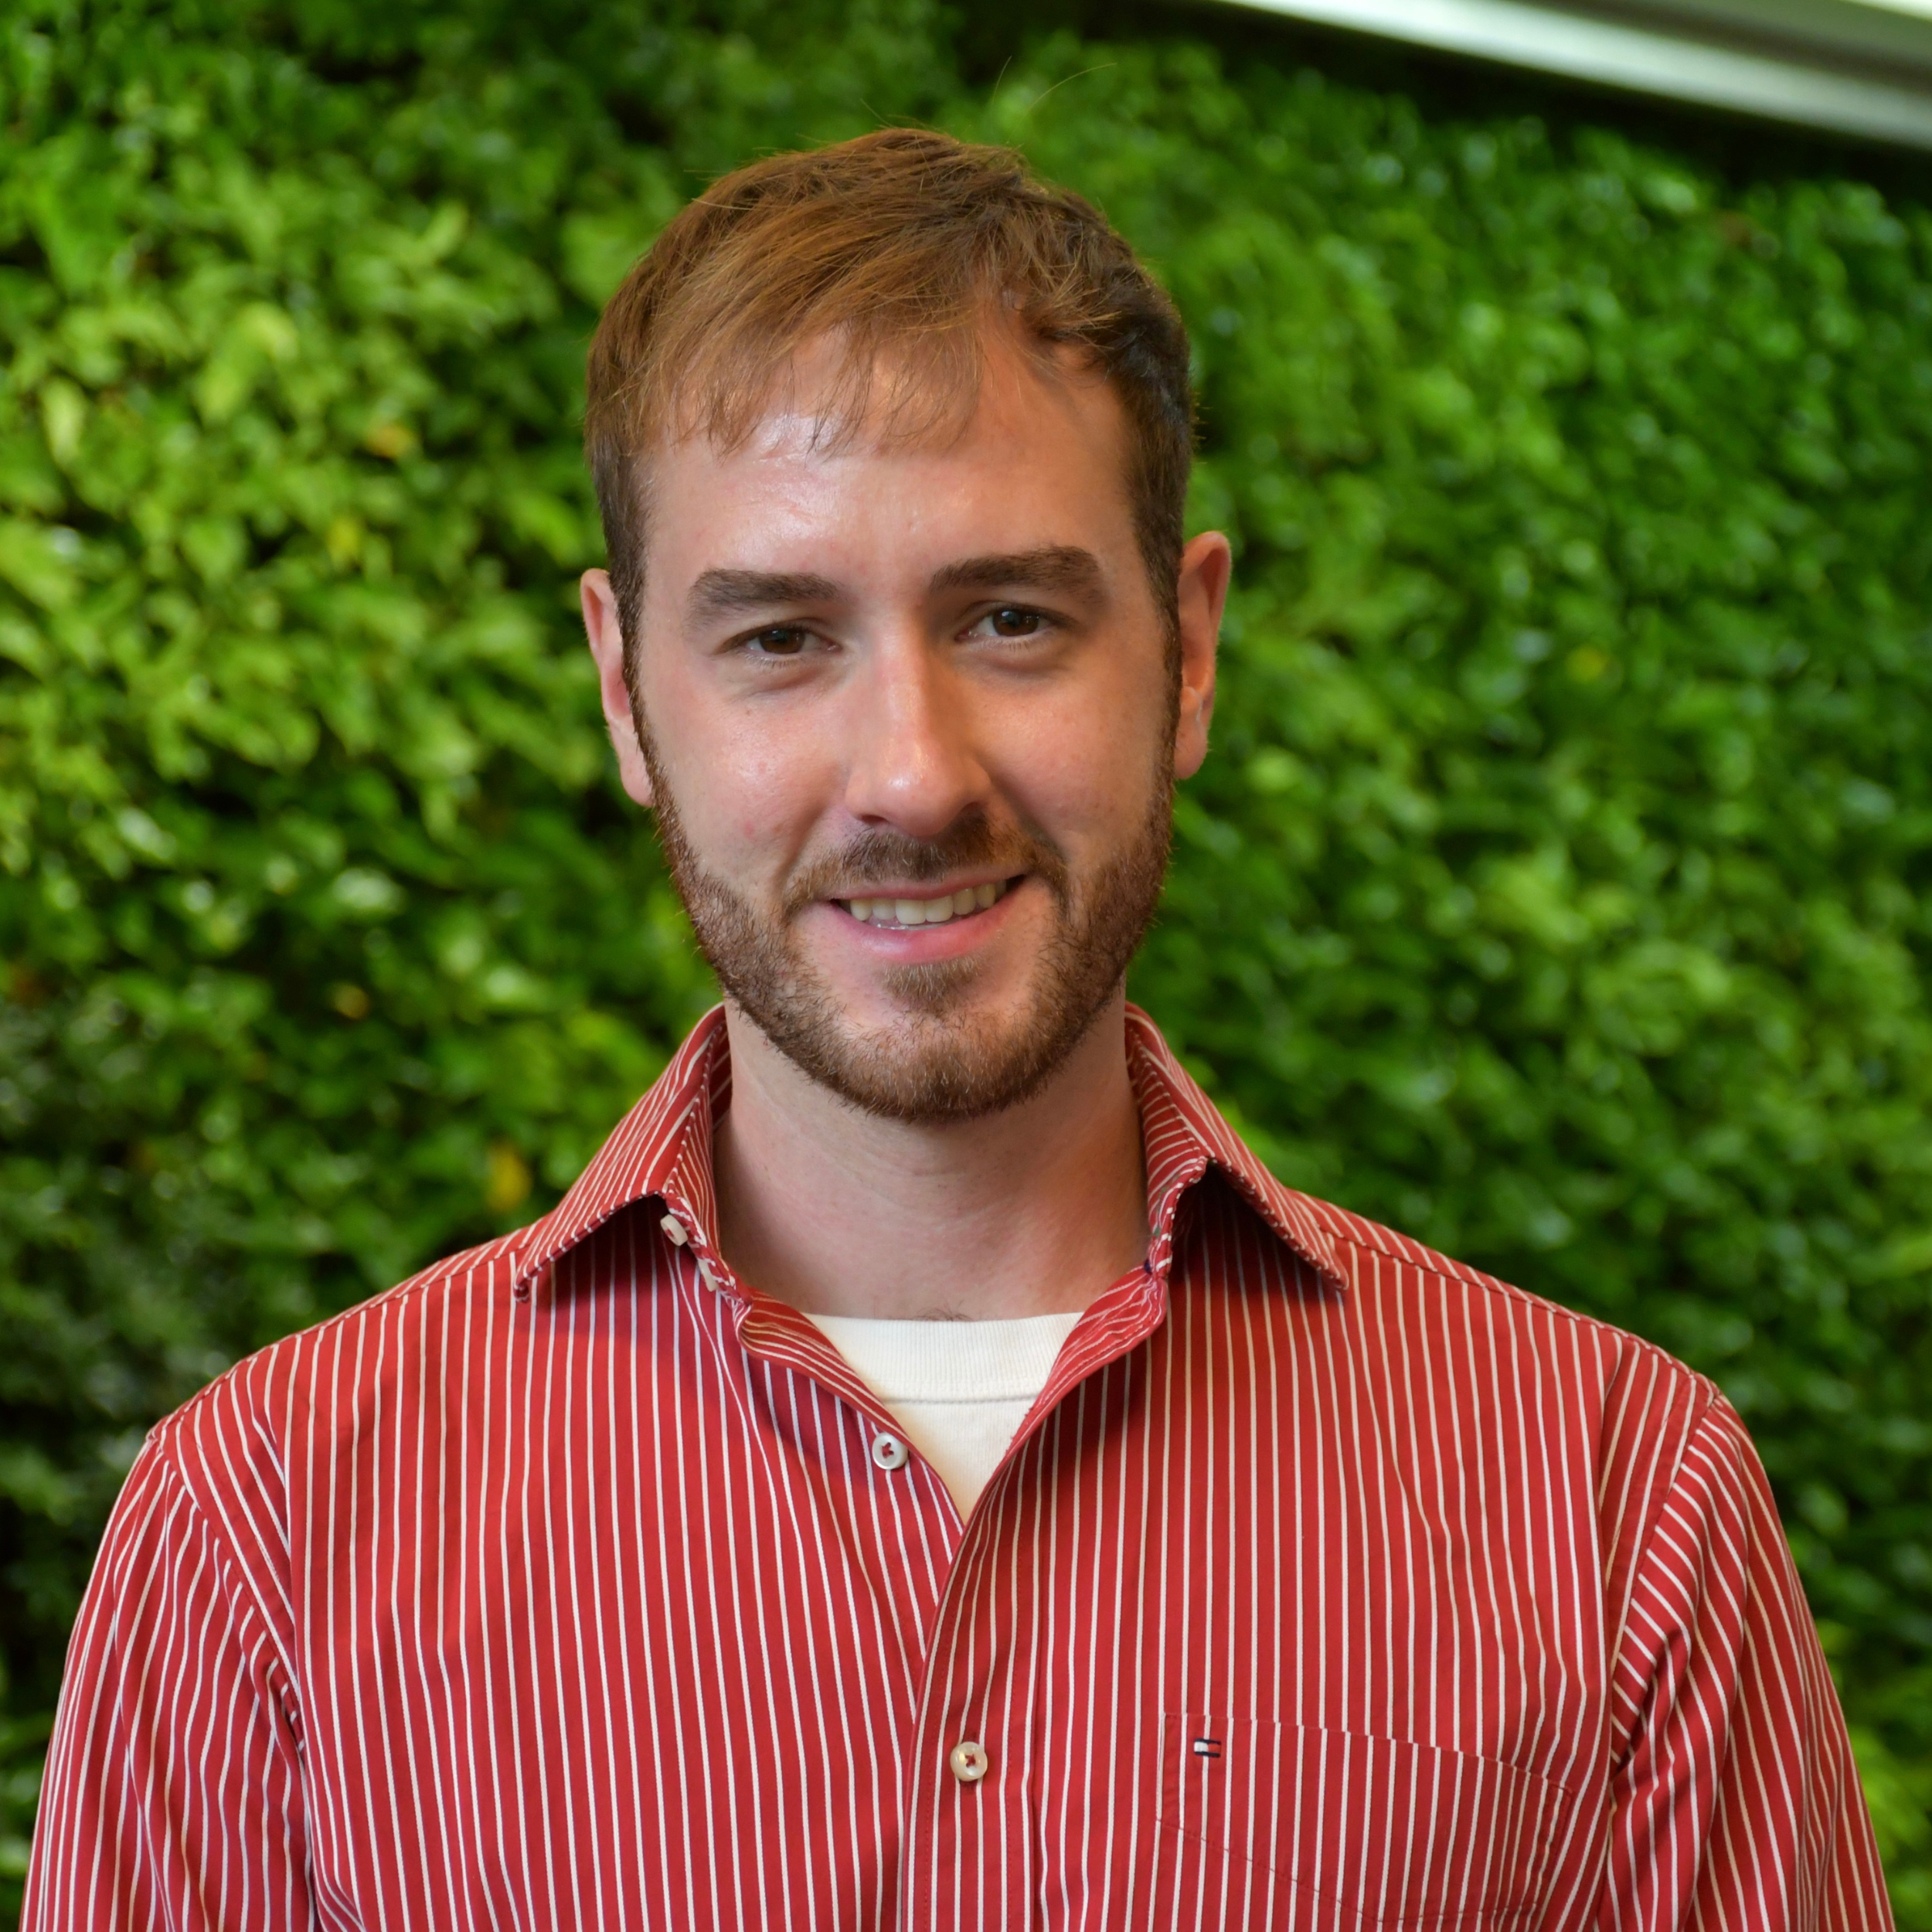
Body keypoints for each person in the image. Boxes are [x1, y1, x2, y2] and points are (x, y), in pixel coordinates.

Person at [25, 128, 1890, 1932]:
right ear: (621, 687)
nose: (909, 776)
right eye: (777, 636)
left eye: (1008, 618)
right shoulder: (265, 1534)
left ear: (1189, 646)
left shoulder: (1613, 1500)